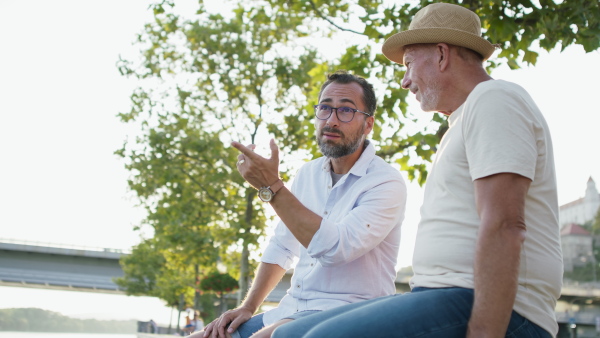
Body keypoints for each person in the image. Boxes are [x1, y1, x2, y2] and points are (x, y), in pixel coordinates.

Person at [271, 3, 563, 338]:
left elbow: (504, 224)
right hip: (442, 296)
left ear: (441, 55)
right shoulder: (462, 121)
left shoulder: (493, 97)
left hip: (491, 306)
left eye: (409, 64)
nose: (406, 80)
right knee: (285, 335)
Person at [194, 70, 407, 338]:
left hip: (350, 313)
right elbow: (283, 245)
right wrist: (248, 307)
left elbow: (336, 249)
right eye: (325, 108)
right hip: (292, 309)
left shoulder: (386, 183)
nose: (331, 120)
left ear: (368, 124)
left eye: (346, 111)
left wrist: (272, 187)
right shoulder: (308, 173)